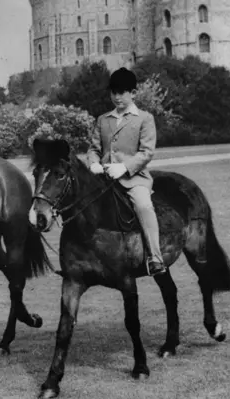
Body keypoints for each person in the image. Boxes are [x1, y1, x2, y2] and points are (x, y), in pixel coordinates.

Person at [86, 67, 166, 275]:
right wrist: (94, 162)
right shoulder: (103, 119)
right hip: (104, 179)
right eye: (114, 92)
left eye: (122, 92)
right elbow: (94, 149)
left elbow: (147, 152)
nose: (117, 97)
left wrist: (124, 167)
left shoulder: (144, 118)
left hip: (133, 178)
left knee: (144, 206)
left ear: (133, 93)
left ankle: (155, 258)